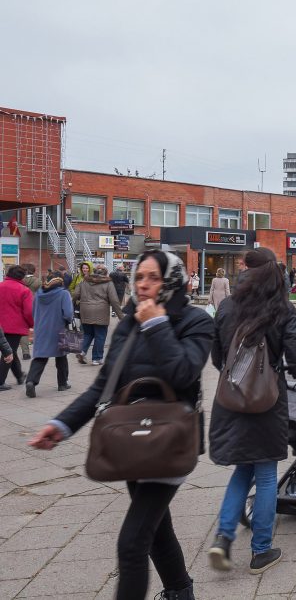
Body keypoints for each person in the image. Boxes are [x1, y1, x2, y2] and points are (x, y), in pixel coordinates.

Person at [28, 249, 214, 600]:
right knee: (156, 530)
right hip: (129, 440)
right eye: (139, 277)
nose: (143, 285)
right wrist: (62, 424)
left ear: (171, 280)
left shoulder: (196, 321)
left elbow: (184, 373)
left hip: (170, 441)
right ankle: (180, 592)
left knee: (131, 544)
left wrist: (157, 324)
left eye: (153, 278)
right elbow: (103, 387)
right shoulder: (128, 323)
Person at [208, 247, 296, 575]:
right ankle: (261, 551)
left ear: (248, 271)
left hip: (232, 399)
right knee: (265, 473)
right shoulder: (282, 309)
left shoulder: (226, 307)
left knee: (242, 468)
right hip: (267, 402)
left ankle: (224, 538)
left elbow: (216, 359)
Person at [25, 273, 74, 397]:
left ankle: (31, 381)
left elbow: (33, 311)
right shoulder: (64, 293)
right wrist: (68, 321)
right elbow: (68, 314)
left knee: (40, 357)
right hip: (59, 328)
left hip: (41, 329)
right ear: (60, 282)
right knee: (62, 357)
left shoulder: (38, 294)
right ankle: (62, 384)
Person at [74, 264, 125, 365]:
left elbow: (75, 294)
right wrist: (121, 316)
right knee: (100, 335)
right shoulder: (108, 283)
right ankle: (96, 359)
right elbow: (114, 300)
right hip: (101, 312)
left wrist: (73, 304)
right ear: (106, 273)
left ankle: (82, 351)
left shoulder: (85, 280)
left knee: (88, 333)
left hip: (85, 311)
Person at [0, 265, 33, 389]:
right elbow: (29, 311)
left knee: (10, 350)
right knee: (8, 353)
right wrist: (31, 324)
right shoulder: (24, 290)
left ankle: (19, 375)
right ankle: (0, 381)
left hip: (1, 325)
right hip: (14, 327)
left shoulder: (0, 285)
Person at [20, 263, 41, 361]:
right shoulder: (38, 281)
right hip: (35, 306)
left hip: (21, 307)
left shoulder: (20, 281)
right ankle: (39, 351)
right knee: (37, 327)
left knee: (23, 329)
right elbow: (41, 296)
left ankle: (25, 352)